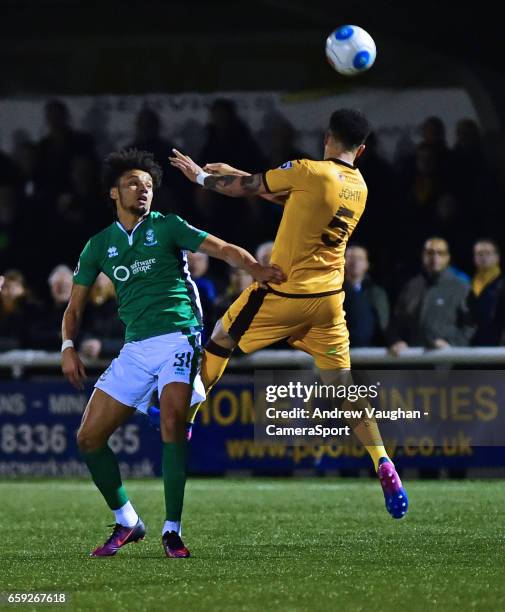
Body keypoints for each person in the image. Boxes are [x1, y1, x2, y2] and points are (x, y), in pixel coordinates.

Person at [170, 108, 409, 520]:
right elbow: (288, 197)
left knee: (221, 339)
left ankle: (187, 418)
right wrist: (239, 172)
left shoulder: (307, 169)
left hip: (283, 291)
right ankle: (382, 460)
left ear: (326, 137)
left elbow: (242, 189)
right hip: (330, 301)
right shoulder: (359, 186)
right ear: (362, 148)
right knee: (344, 386)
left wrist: (201, 177)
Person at [61, 148, 284, 559]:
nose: (142, 190)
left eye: (147, 185)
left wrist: (256, 268)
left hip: (179, 337)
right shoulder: (98, 246)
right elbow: (74, 308)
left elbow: (223, 249)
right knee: (89, 439)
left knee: (172, 422)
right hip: (135, 348)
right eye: (133, 183)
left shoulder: (168, 227)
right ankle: (128, 521)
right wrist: (68, 346)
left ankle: (172, 530)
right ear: (114, 192)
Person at [388, 237, 474, 354]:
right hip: (413, 361)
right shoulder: (411, 287)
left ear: (448, 258)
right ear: (423, 256)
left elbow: (471, 325)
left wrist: (451, 343)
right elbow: (396, 322)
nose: (435, 258)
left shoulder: (461, 287)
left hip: (447, 362)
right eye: (430, 253)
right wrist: (397, 340)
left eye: (441, 253)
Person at [343, 245, 389, 347]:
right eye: (351, 258)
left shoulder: (377, 294)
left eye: (360, 258)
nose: (355, 262)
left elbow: (384, 324)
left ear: (366, 264)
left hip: (371, 356)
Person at [468, 239, 503, 346]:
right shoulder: (467, 284)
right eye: (479, 254)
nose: (483, 257)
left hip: (497, 345)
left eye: (488, 253)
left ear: (497, 257)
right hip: (471, 343)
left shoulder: (502, 284)